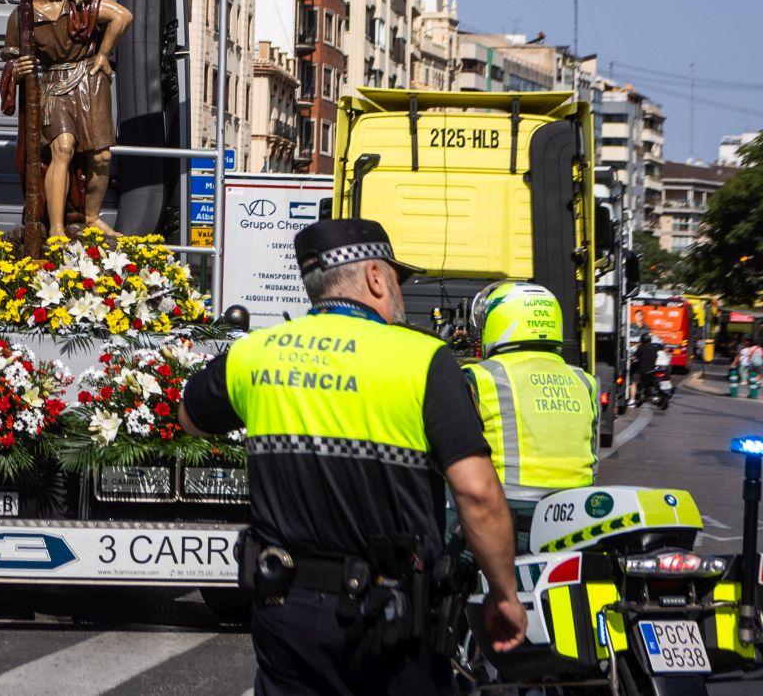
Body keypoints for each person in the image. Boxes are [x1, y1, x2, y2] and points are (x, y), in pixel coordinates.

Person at [181, 218, 525, 694]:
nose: (401, 294)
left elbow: (191, 416)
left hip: (286, 611)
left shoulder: (253, 355)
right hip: (391, 619)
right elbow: (477, 492)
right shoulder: (424, 361)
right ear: (375, 278)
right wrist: (504, 594)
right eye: (397, 279)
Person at [0, 0, 133, 239]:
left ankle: (92, 217)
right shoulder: (21, 17)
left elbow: (123, 16)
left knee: (102, 156)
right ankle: (57, 228)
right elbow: (11, 61)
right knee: (62, 148)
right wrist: (19, 69)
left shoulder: (79, 4)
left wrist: (103, 53)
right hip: (54, 81)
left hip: (90, 79)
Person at [464, 282, 597, 508]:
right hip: (579, 507)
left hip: (510, 506)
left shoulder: (480, 376)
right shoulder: (584, 380)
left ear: (500, 321)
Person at [630, 331, 658, 408]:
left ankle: (632, 400)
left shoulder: (640, 348)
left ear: (642, 340)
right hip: (652, 370)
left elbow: (634, 358)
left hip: (641, 371)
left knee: (634, 383)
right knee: (652, 381)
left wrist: (632, 359)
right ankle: (654, 395)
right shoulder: (654, 348)